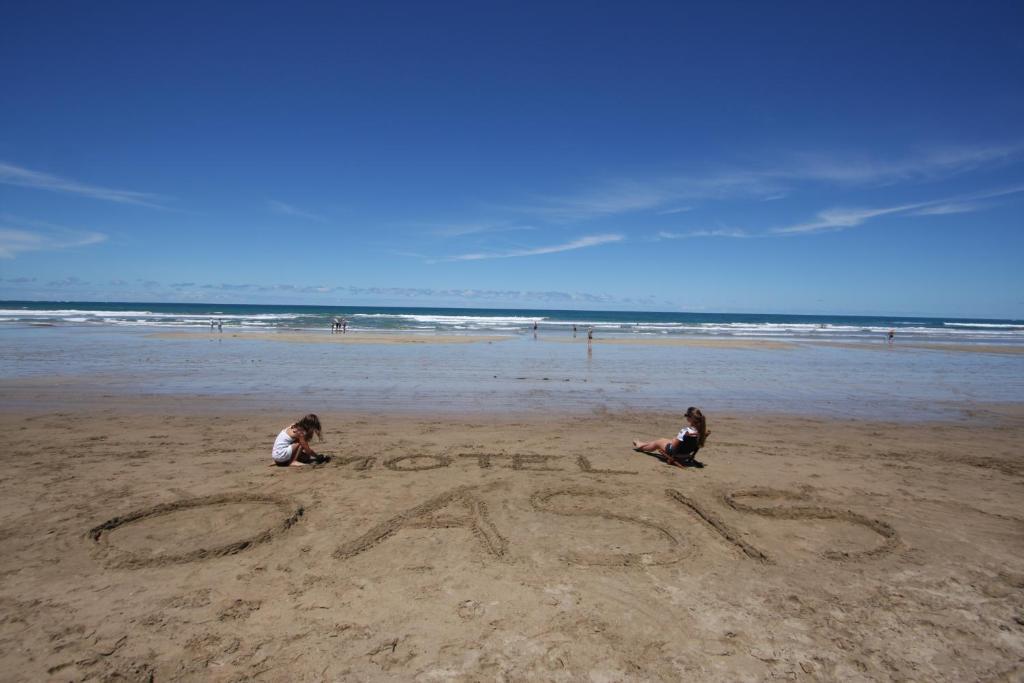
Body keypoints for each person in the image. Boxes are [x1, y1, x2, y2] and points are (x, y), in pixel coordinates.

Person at [632, 407, 709, 468]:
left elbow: (674, 447)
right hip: (686, 453)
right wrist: (675, 439)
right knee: (666, 440)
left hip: (676, 453)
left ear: (690, 418)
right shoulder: (702, 432)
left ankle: (640, 447)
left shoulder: (686, 431)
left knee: (659, 441)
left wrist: (674, 440)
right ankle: (642, 444)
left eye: (686, 415)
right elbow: (697, 444)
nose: (686, 417)